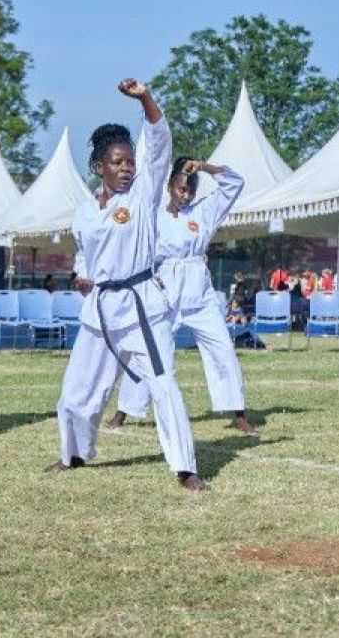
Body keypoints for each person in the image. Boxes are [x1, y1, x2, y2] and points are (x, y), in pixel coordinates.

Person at [50, 79, 205, 491]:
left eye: (128, 162)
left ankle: (185, 469)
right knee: (75, 392)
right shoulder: (84, 212)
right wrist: (81, 276)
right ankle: (74, 455)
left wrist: (145, 99)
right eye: (116, 163)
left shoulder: (142, 194)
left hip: (141, 306)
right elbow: (84, 255)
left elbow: (158, 140)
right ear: (99, 167)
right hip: (99, 309)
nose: (125, 169)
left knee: (162, 383)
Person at [106, 157, 256, 435]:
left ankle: (238, 412)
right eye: (180, 189)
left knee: (223, 347)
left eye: (190, 191)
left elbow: (235, 184)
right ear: (169, 186)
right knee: (148, 351)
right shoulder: (152, 214)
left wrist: (204, 167)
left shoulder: (204, 212)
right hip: (164, 290)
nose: (185, 196)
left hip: (199, 290)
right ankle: (124, 410)